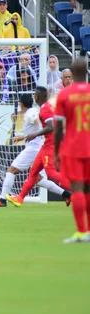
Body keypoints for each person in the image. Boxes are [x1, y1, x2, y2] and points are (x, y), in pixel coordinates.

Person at [6, 86, 72, 207]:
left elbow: (51, 126)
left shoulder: (44, 109)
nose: (34, 97)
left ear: (37, 97)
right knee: (34, 172)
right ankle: (20, 198)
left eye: (35, 94)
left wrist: (34, 134)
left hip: (51, 144)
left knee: (51, 173)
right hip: (49, 143)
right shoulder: (48, 107)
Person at [54, 58, 90, 243]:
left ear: (72, 74)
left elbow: (59, 126)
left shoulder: (65, 94)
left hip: (74, 148)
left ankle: (82, 232)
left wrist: (55, 152)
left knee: (77, 189)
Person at [0, 94, 43, 207]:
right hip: (36, 147)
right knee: (39, 179)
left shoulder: (30, 113)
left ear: (21, 103)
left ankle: (3, 199)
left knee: (11, 170)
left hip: (33, 149)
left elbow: (37, 120)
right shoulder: (31, 112)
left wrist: (44, 125)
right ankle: (66, 193)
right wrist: (22, 137)